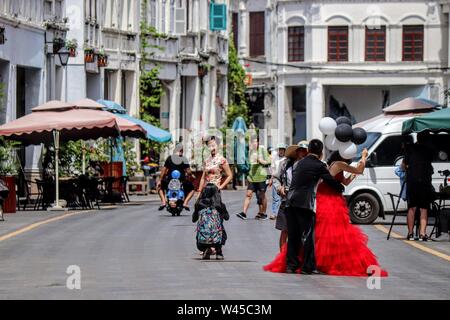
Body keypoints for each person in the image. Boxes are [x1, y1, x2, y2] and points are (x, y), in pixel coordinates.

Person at [265, 148, 388, 277]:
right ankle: (313, 263)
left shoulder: (335, 165)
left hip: (332, 198)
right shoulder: (339, 164)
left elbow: (345, 182)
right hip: (329, 199)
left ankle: (310, 262)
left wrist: (353, 174)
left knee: (327, 232)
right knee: (328, 231)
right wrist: (364, 157)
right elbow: (360, 169)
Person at [272, 141, 309, 251]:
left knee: (302, 232)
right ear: (296, 151)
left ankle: (298, 257)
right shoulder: (286, 164)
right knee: (285, 230)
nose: (302, 152)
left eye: (305, 150)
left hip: (303, 203)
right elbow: (275, 178)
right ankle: (282, 258)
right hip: (286, 201)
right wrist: (279, 188)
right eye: (300, 150)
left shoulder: (309, 165)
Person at [404, 132, 435, 241]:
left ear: (417, 137)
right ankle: (422, 234)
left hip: (412, 181)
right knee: (423, 208)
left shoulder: (410, 148)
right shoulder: (429, 150)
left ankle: (410, 233)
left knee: (412, 207)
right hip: (425, 181)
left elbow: (404, 165)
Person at [236, 136, 271, 220]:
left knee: (262, 196)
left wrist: (261, 161)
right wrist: (248, 174)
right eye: (252, 142)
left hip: (261, 177)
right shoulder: (250, 151)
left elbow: (269, 162)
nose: (254, 143)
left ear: (258, 142)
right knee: (248, 194)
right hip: (252, 177)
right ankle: (244, 213)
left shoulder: (262, 150)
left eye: (255, 142)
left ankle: (263, 213)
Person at [193, 183, 229, 260]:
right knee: (222, 230)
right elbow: (227, 218)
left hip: (202, 239)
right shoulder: (220, 205)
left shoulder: (199, 204)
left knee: (199, 232)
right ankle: (219, 252)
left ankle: (206, 248)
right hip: (217, 238)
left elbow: (194, 219)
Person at [157, 143, 196, 211]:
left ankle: (163, 202)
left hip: (169, 181)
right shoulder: (184, 159)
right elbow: (188, 171)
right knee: (192, 189)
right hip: (181, 182)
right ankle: (185, 203)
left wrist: (160, 180)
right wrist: (191, 175)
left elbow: (164, 170)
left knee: (159, 187)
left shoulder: (169, 158)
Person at [269, 144, 287, 220]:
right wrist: (271, 179)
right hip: (276, 179)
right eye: (280, 149)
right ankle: (274, 213)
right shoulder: (275, 159)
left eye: (282, 149)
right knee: (275, 197)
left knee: (282, 197)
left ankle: (279, 213)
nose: (281, 151)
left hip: (284, 180)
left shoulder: (287, 159)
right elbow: (273, 170)